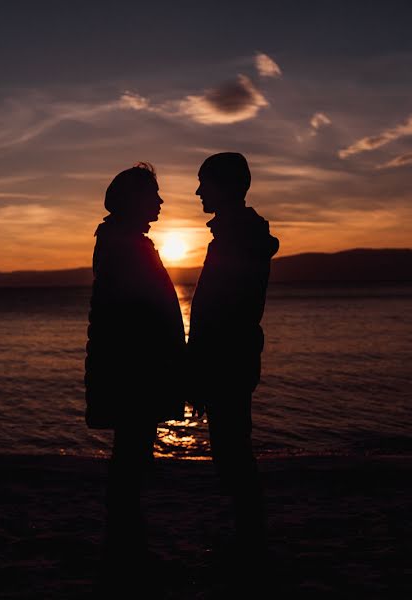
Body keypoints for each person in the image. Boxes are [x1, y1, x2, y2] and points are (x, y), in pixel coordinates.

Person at [84, 162, 186, 565]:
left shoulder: (123, 241)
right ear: (133, 199)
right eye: (153, 194)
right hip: (133, 371)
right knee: (131, 454)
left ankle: (125, 536)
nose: (160, 201)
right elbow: (138, 316)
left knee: (132, 453)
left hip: (132, 368)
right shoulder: (123, 245)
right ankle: (125, 541)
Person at [188, 152, 279, 556]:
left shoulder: (237, 239)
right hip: (233, 356)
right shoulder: (234, 235)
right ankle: (249, 533)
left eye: (204, 183)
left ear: (226, 187)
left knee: (232, 451)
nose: (197, 191)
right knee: (232, 448)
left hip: (229, 359)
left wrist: (201, 367)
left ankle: (251, 539)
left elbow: (222, 311)